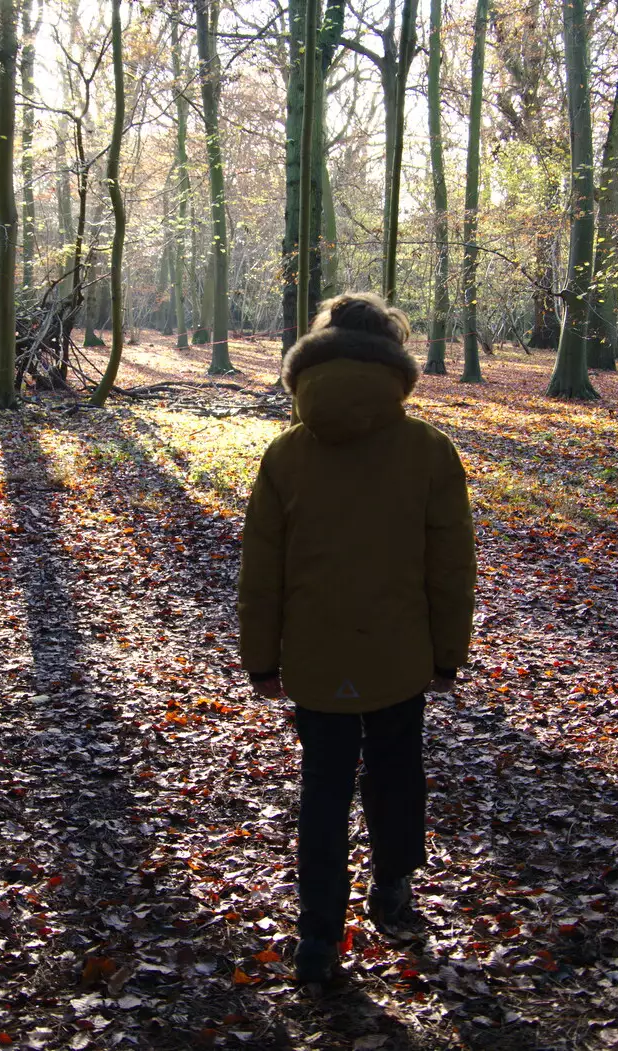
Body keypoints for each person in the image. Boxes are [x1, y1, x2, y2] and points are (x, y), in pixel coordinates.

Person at [237, 292, 476, 987]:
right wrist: (445, 655)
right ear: (393, 360)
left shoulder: (287, 452)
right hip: (399, 656)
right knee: (396, 771)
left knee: (324, 786)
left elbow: (263, 570)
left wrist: (262, 660)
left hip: (315, 658)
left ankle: (317, 937)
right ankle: (392, 891)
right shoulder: (429, 450)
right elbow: (451, 565)